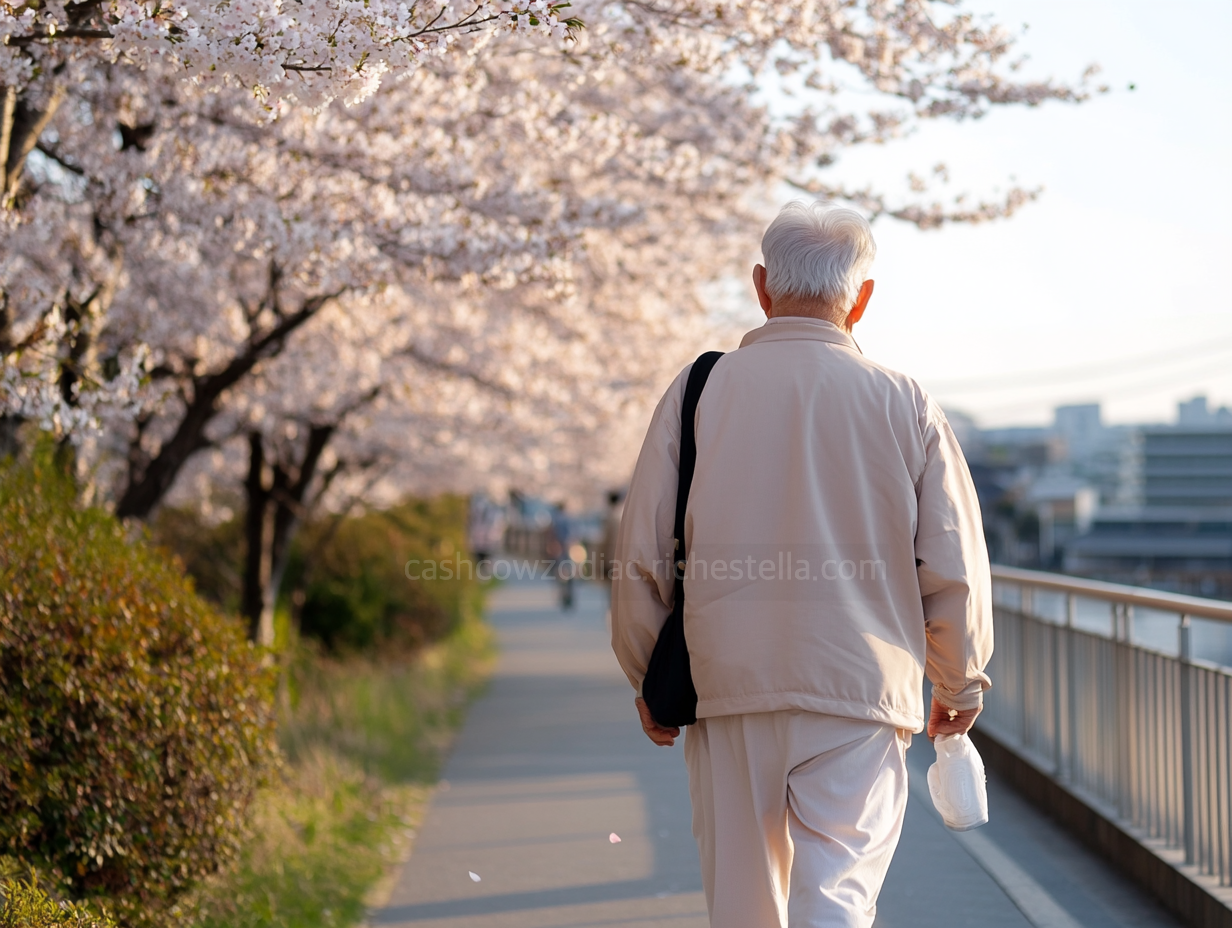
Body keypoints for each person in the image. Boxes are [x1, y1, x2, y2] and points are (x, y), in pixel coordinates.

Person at [610, 201, 993, 928]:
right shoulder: (905, 401)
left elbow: (642, 554)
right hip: (861, 685)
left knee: (745, 905)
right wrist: (959, 679)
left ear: (761, 285)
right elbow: (953, 562)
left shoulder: (699, 390)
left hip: (729, 683)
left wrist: (646, 677)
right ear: (863, 299)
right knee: (839, 897)